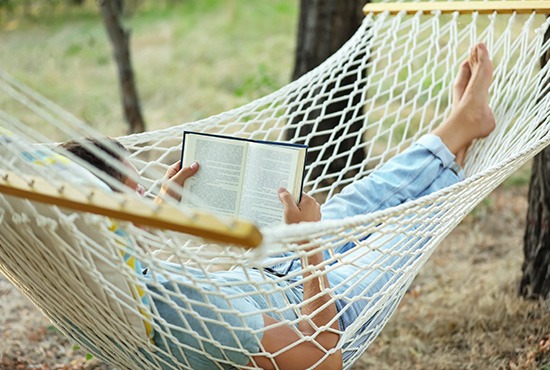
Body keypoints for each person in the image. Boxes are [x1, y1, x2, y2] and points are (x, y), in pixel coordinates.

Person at [63, 43, 495, 370]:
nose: (148, 197)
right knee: (404, 224)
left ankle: (457, 130)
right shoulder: (186, 311)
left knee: (365, 198)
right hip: (326, 308)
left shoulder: (81, 275)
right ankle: (462, 132)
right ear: (106, 219)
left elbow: (110, 243)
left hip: (269, 276)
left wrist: (153, 215)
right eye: (135, 194)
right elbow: (325, 359)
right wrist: (309, 245)